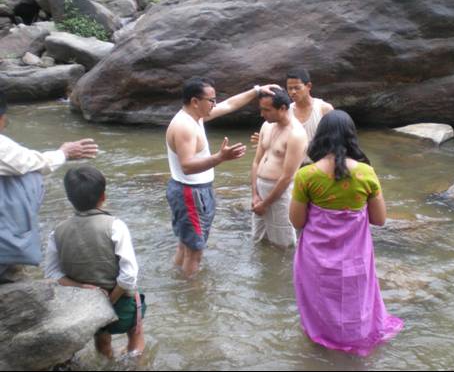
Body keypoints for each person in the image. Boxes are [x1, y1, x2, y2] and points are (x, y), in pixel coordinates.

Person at [289, 110, 403, 356]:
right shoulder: (366, 173)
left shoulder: (306, 176)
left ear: (320, 137)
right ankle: (352, 349)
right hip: (355, 257)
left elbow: (297, 221)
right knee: (354, 302)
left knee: (318, 300)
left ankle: (321, 349)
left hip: (315, 258)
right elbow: (379, 220)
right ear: (352, 137)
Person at [166, 78, 280, 277]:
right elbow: (187, 166)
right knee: (195, 251)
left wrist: (256, 90)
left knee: (186, 245)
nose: (214, 104)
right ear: (195, 101)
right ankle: (193, 297)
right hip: (190, 193)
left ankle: (178, 282)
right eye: (211, 100)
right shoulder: (184, 126)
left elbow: (229, 105)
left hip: (192, 192)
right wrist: (220, 157)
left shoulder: (195, 117)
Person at [44, 166, 146, 358]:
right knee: (135, 334)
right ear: (103, 196)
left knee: (102, 339)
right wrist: (109, 300)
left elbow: (52, 274)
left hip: (86, 310)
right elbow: (128, 277)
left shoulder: (56, 232)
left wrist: (82, 286)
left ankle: (107, 361)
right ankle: (134, 358)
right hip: (121, 306)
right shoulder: (116, 226)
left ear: (69, 199)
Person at [0, 90, 98, 283]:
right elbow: (34, 163)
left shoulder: (61, 231)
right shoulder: (114, 228)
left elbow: (54, 271)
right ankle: (11, 255)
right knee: (30, 176)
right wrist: (64, 152)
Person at [251, 88, 307, 248]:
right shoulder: (266, 126)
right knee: (258, 239)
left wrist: (266, 203)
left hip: (280, 193)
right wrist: (254, 194)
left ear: (283, 108)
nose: (262, 114)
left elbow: (288, 176)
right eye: (261, 109)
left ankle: (284, 273)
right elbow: (256, 162)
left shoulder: (296, 134)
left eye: (266, 110)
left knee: (283, 244)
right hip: (260, 190)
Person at [251, 69, 333, 164]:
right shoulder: (285, 111)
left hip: (317, 166)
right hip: (291, 167)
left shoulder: (324, 109)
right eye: (289, 88)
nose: (293, 92)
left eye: (297, 88)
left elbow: (334, 140)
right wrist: (268, 143)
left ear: (308, 86)